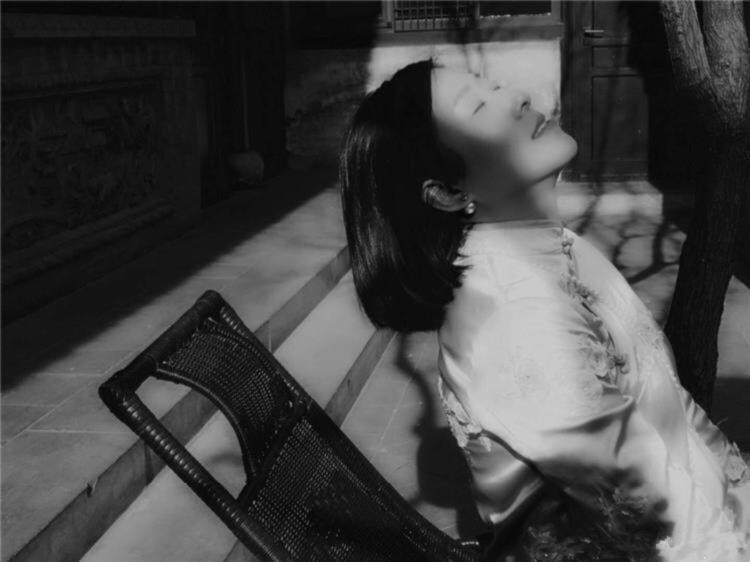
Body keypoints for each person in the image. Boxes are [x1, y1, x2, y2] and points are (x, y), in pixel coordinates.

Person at [338, 58, 750, 561]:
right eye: (479, 106)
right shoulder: (512, 322)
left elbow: (667, 407)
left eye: (494, 84)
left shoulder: (550, 248)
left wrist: (738, 485)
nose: (519, 97)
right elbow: (657, 511)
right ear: (448, 193)